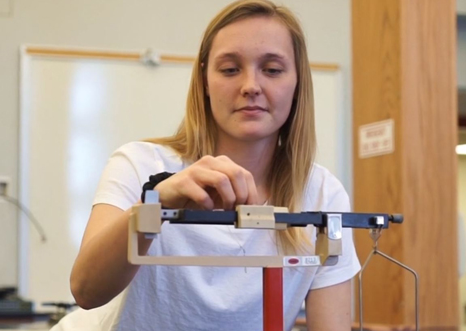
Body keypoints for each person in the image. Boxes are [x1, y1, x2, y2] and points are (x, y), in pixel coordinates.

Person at [56, 1, 360, 330]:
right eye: (230, 69)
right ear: (204, 81)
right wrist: (156, 204)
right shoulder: (139, 164)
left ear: (298, 83)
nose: (251, 86)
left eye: (272, 69)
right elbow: (86, 290)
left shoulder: (322, 195)